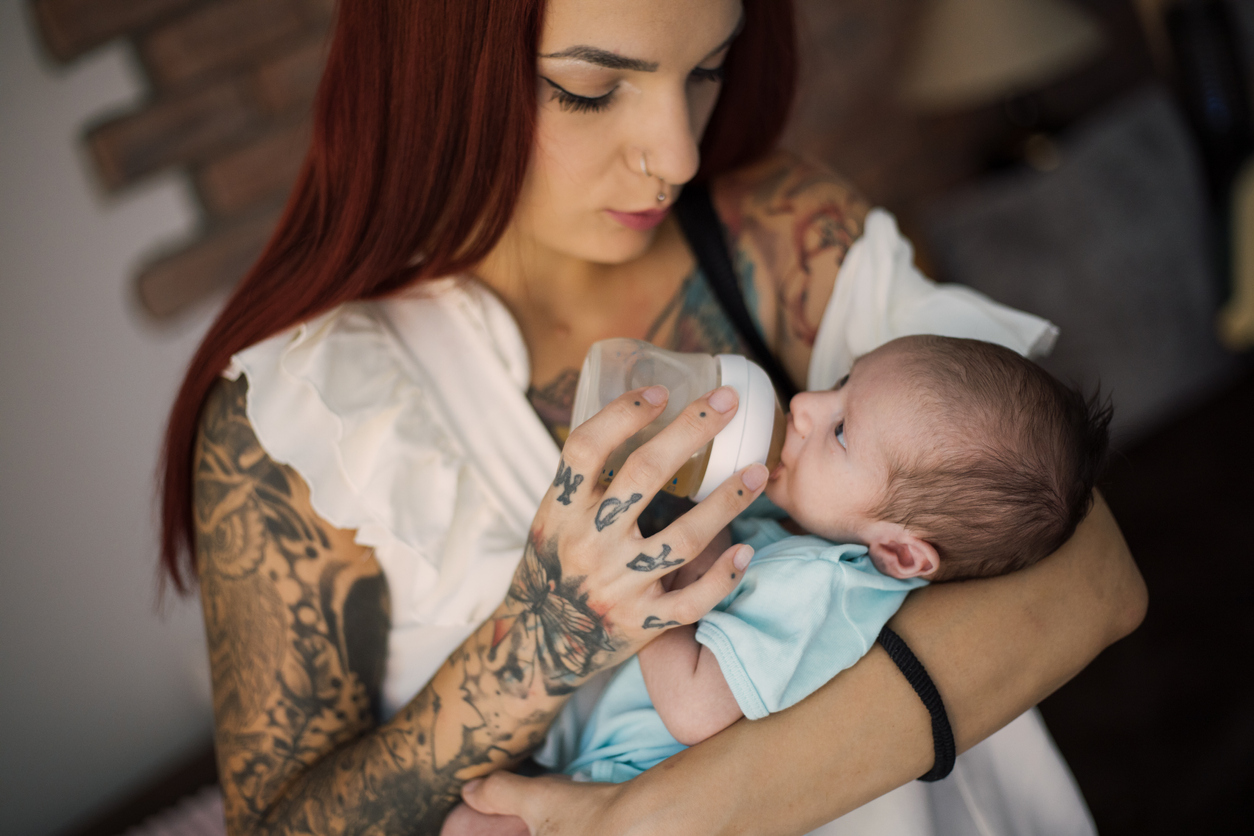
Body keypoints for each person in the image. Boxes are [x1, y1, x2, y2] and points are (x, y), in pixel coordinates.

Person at [158, 1, 1147, 834]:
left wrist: (657, 815)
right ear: (440, 62)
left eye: (707, 70)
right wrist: (536, 644)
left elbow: (1090, 574)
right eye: (590, 88)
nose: (677, 153)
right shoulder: (301, 416)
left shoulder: (769, 231)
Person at [549, 334, 1114, 786]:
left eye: (841, 430)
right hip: (593, 746)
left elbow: (693, 711)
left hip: (620, 782)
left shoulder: (823, 587)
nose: (803, 404)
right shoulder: (804, 526)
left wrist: (651, 586)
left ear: (896, 551)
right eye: (843, 382)